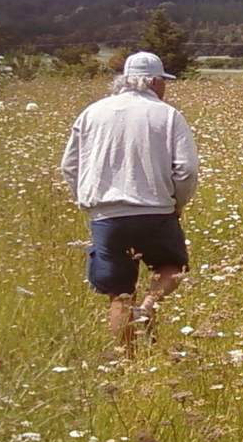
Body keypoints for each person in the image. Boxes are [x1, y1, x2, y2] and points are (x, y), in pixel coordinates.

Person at [61, 51, 199, 351]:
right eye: (163, 81)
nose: (164, 87)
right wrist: (177, 203)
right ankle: (149, 304)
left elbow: (70, 166)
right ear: (152, 80)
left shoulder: (92, 113)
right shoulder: (167, 114)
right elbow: (186, 169)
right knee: (172, 266)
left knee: (119, 294)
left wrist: (88, 202)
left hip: (107, 216)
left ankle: (126, 363)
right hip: (156, 211)